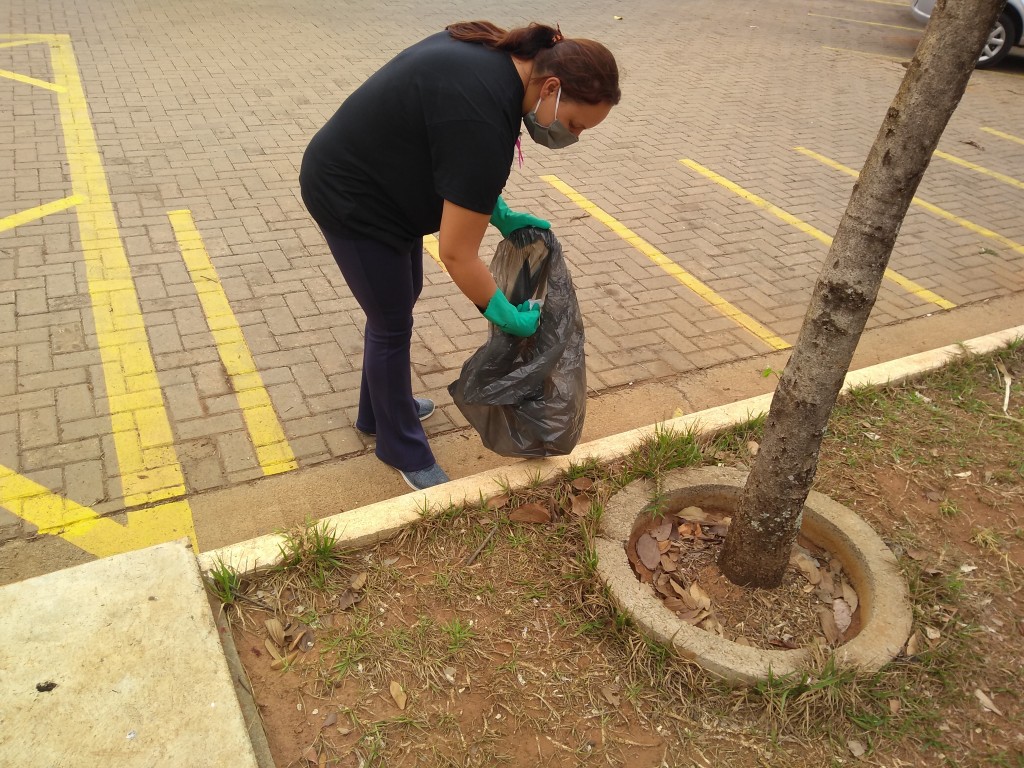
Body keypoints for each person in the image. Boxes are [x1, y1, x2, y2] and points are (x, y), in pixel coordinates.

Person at [299, 21, 620, 490]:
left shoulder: (501, 67)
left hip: (389, 184)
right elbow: (456, 253)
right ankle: (399, 445)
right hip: (353, 196)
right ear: (552, 86)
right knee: (391, 317)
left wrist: (500, 212)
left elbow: (455, 162)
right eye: (574, 124)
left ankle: (378, 413)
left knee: (399, 298)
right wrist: (508, 316)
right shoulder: (484, 114)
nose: (571, 136)